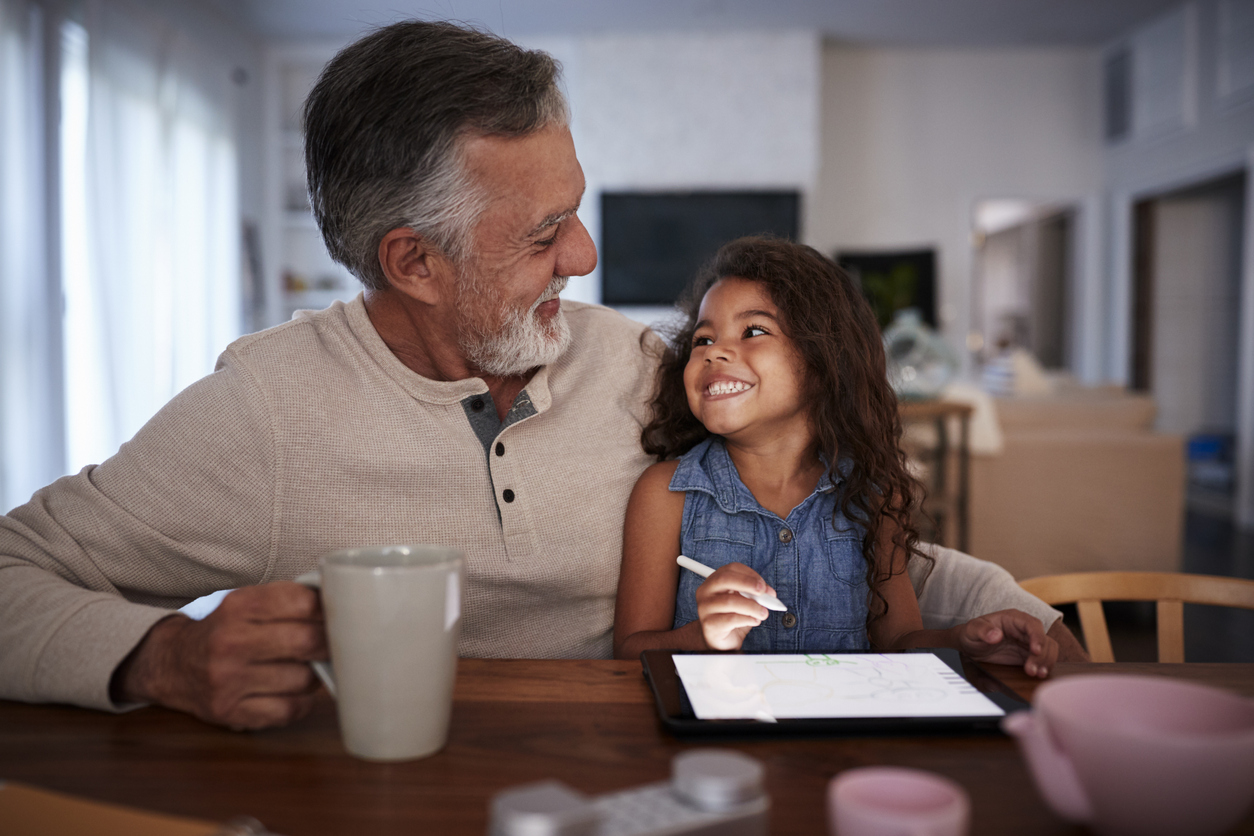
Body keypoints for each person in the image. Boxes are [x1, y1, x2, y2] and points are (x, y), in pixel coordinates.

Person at [0, 21, 1082, 732]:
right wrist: (159, 655)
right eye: (545, 232)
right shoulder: (263, 417)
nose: (587, 259)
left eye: (581, 210)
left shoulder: (643, 369)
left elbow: (834, 533)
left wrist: (1014, 610)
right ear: (413, 261)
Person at [614, 237, 1057, 677]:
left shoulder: (872, 495)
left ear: (823, 361)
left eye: (753, 331)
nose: (714, 351)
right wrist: (701, 640)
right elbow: (630, 651)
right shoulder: (666, 494)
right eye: (702, 338)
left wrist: (962, 642)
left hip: (847, 742)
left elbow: (899, 645)